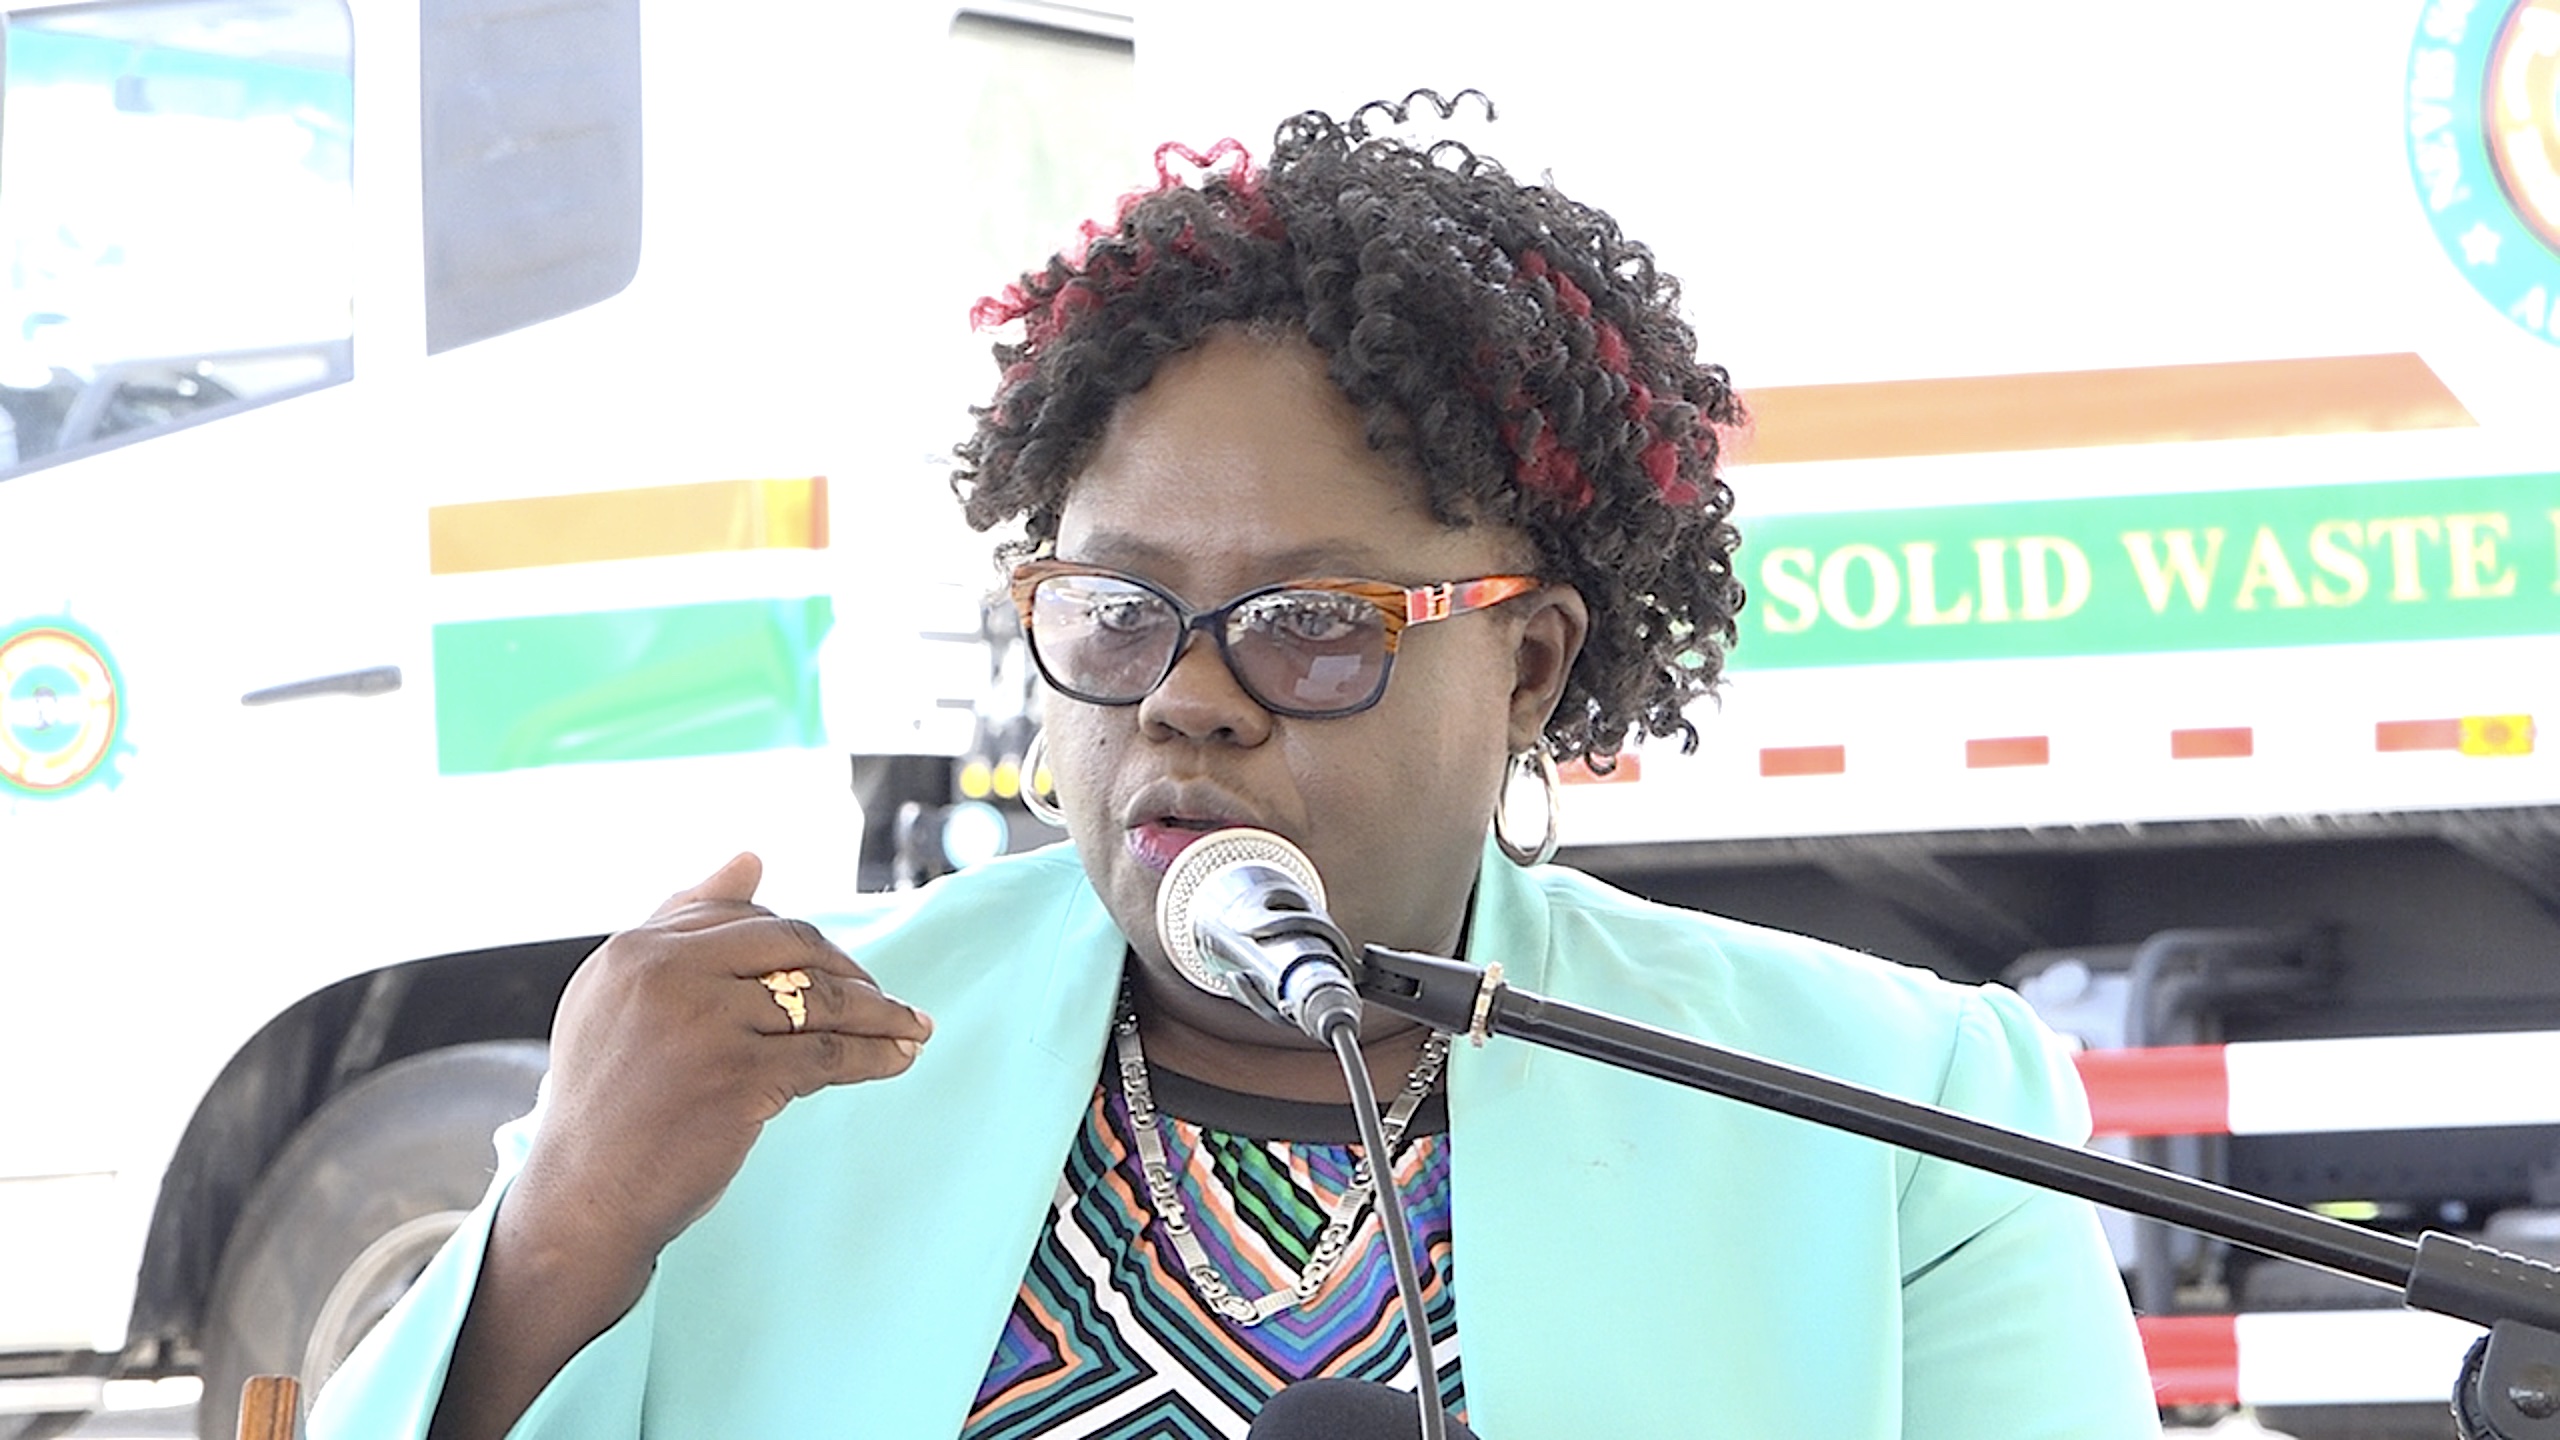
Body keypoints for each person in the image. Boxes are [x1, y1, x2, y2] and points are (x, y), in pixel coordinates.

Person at [312, 93, 2159, 1439]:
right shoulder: (765, 1080)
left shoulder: (1895, 1111)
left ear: (1528, 665)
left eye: (1315, 621)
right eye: (1117, 612)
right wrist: (565, 1219)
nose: (1185, 703)